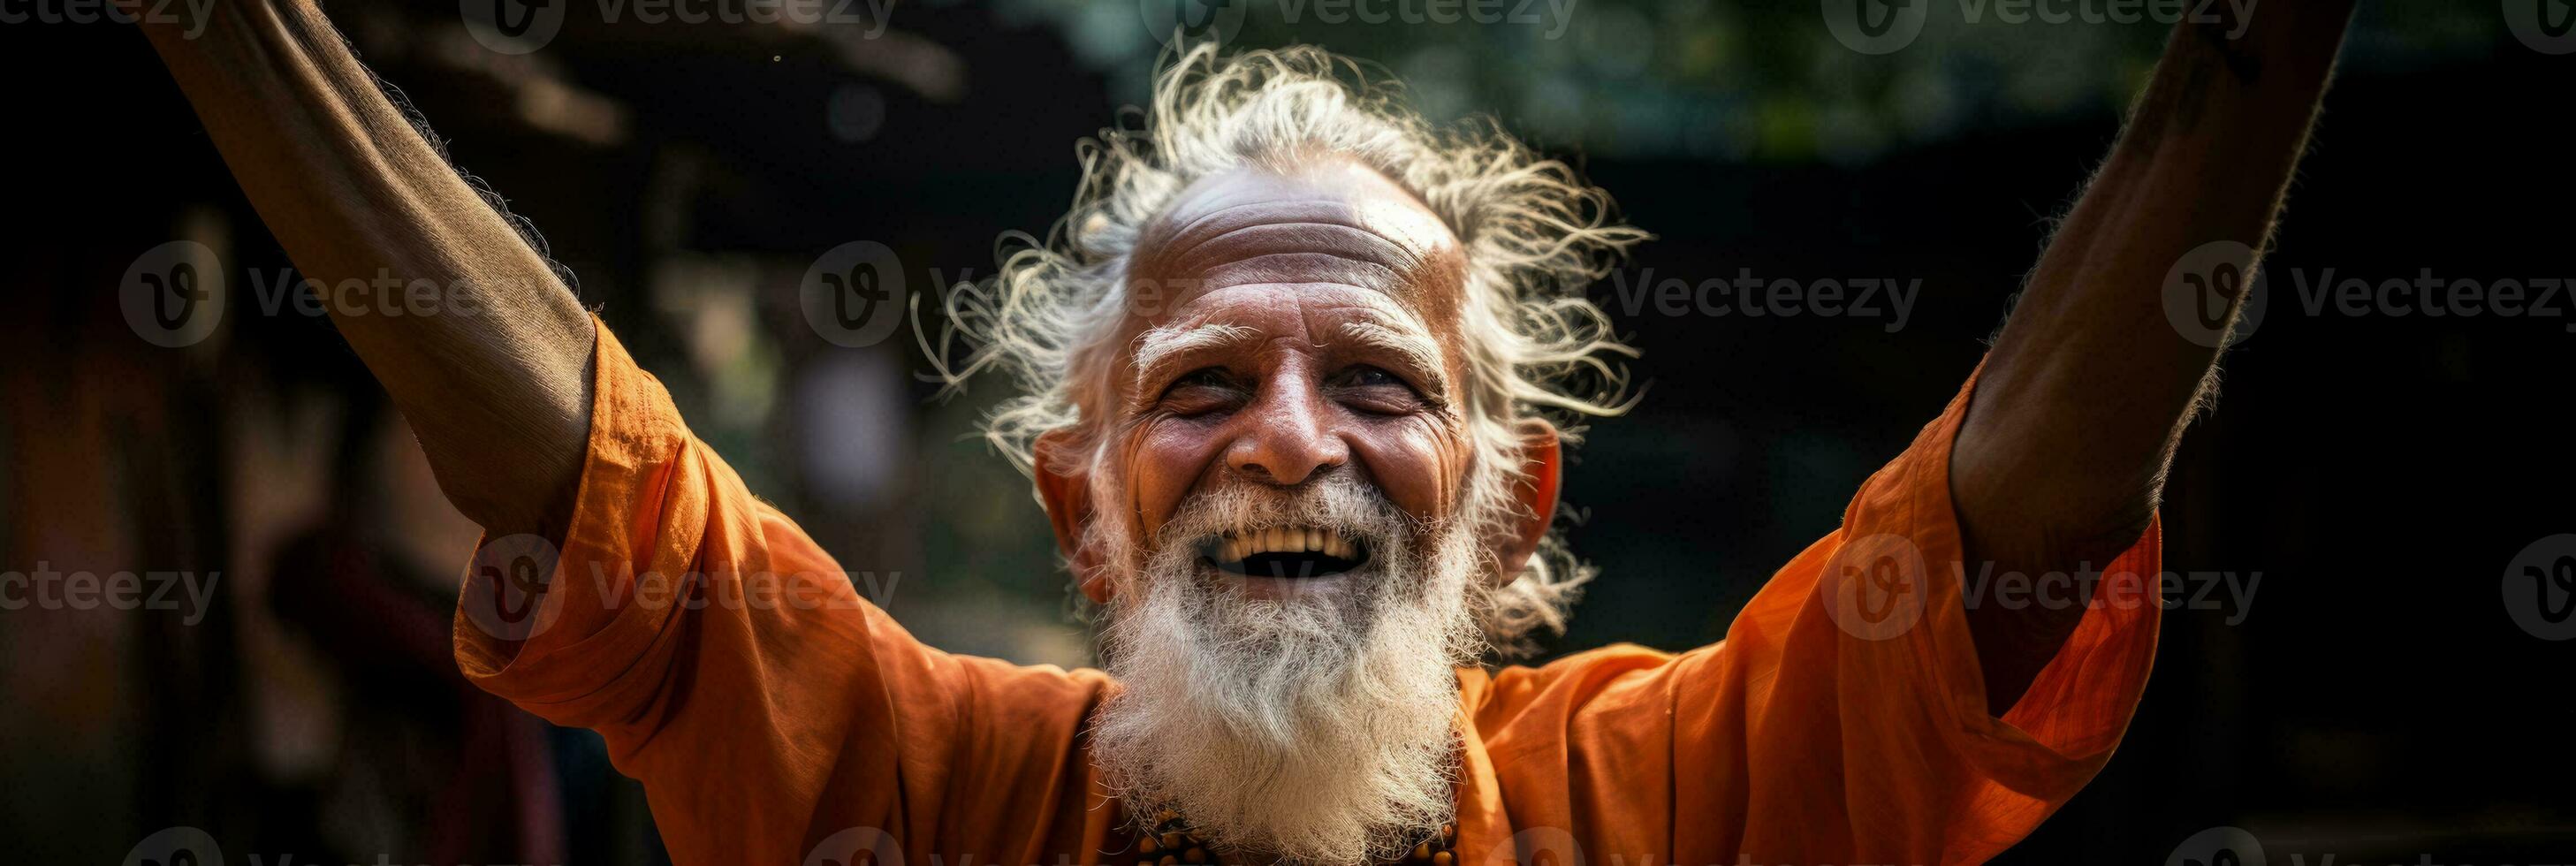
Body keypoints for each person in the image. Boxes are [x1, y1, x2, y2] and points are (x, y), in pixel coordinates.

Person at [133, 3, 2355, 863]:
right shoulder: (928, 788)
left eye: (1380, 382)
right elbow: (594, 482)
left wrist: (2262, 44)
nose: (1289, 438)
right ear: (1081, 507)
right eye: (1201, 388)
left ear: (1510, 514)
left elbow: (2016, 525)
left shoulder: (1689, 796)